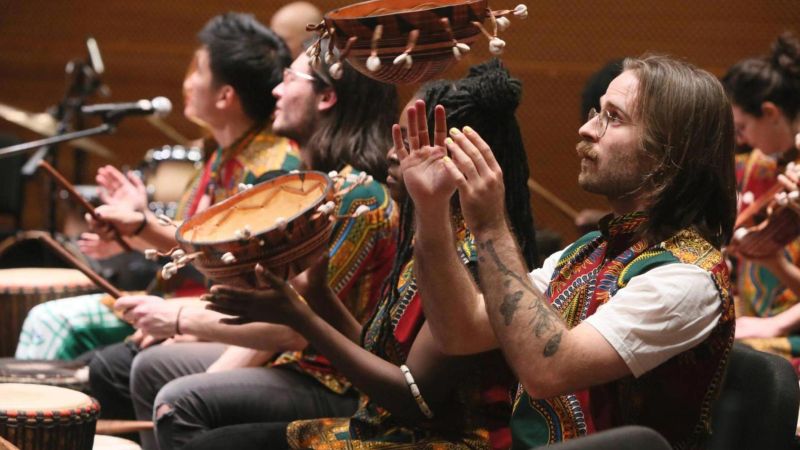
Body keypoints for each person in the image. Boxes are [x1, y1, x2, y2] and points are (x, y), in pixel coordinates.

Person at [196, 58, 537, 449]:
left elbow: (416, 401)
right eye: (398, 138)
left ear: (461, 160)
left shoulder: (474, 256)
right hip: (390, 430)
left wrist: (301, 318)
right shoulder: (431, 235)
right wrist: (318, 295)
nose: (393, 154)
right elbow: (386, 362)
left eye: (413, 144)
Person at [402, 55, 736, 448]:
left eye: (613, 117)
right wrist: (431, 209)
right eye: (598, 112)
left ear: (668, 153)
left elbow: (548, 370)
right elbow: (461, 332)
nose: (586, 128)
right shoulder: (590, 251)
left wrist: (491, 225)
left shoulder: (688, 277)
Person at [89, 39, 399, 450]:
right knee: (149, 368)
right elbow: (232, 263)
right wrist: (140, 226)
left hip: (336, 379)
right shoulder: (310, 182)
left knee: (177, 398)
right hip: (292, 360)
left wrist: (179, 318)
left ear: (326, 97)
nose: (277, 89)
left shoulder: (357, 196)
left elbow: (293, 326)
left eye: (290, 79)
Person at [15, 12, 299, 361]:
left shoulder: (271, 170)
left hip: (216, 316)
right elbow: (183, 246)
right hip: (185, 303)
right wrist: (132, 229)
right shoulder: (225, 153)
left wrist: (140, 226)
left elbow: (227, 263)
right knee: (66, 331)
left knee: (53, 321)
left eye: (198, 71)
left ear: (225, 96)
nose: (188, 82)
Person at [722, 32, 800, 359]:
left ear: (770, 112)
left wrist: (777, 325)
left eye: (742, 128)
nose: (741, 139)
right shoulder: (767, 162)